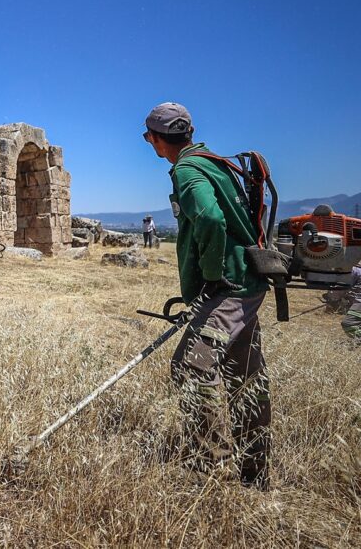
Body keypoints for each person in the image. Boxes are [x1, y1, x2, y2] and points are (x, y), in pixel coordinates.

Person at [142, 101, 272, 489]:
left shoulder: (186, 169)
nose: (149, 143)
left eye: (148, 137)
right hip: (246, 283)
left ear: (157, 139)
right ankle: (255, 472)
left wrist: (212, 276)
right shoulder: (214, 162)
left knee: (191, 366)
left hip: (227, 289)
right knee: (244, 375)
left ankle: (210, 468)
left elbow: (211, 218)